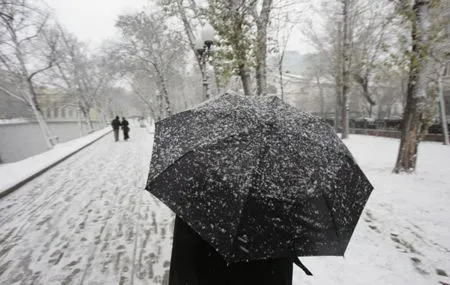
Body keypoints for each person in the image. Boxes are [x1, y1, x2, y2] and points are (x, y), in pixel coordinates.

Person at [168, 216, 294, 285]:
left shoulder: (198, 185)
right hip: (262, 273)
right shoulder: (280, 192)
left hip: (210, 273)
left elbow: (183, 258)